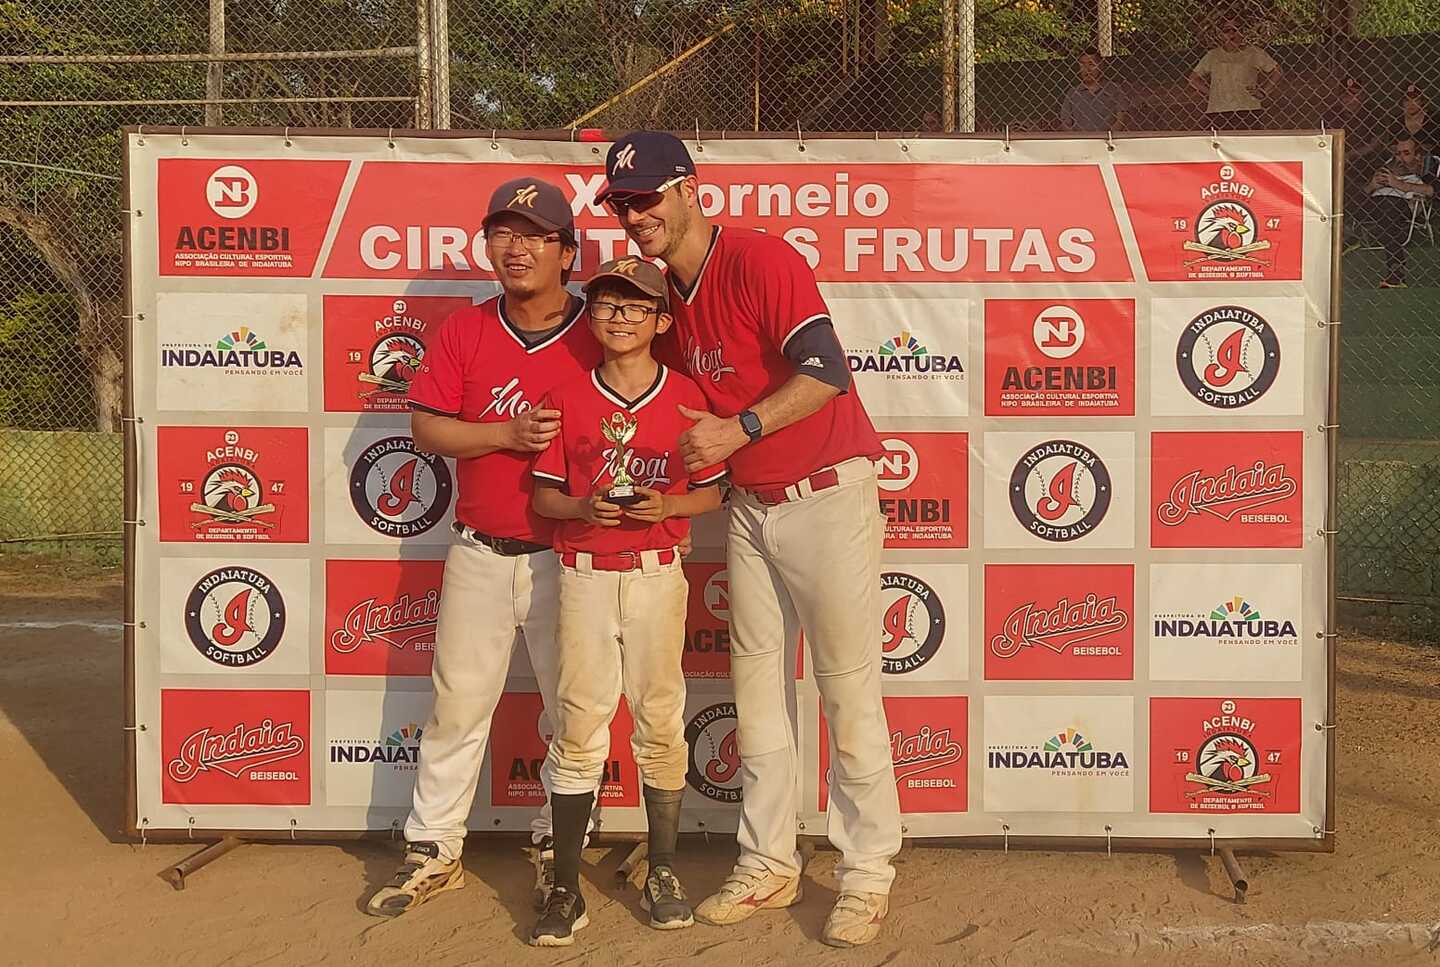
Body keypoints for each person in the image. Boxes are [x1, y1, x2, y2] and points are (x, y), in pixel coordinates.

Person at [597, 131, 902, 949]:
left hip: (826, 492)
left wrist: (741, 428)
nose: (634, 214)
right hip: (750, 505)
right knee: (759, 691)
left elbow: (827, 369)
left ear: (690, 188)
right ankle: (769, 859)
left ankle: (867, 869)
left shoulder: (761, 260)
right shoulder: (668, 291)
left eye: (647, 196)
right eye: (621, 203)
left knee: (845, 688)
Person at [365, 178, 601, 917]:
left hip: (572, 552)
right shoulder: (467, 329)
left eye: (535, 233)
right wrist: (505, 434)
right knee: (456, 705)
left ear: (569, 251)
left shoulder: (609, 326)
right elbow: (428, 429)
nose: (516, 246)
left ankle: (559, 851)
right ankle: (434, 847)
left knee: (575, 709)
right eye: (503, 231)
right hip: (479, 547)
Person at [528, 257, 727, 946]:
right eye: (608, 303)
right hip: (583, 571)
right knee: (581, 725)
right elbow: (545, 497)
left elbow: (715, 490)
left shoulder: (686, 394)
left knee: (661, 718)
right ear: (593, 314)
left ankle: (664, 868)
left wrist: (668, 502)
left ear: (661, 321)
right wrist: (584, 503)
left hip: (654, 570)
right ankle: (563, 885)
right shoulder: (566, 392)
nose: (619, 316)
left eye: (636, 306)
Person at [1350, 135, 1437, 289]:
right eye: (1397, 154)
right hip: (1375, 207)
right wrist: (1371, 186)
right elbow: (1359, 198)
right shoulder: (1385, 173)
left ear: (1417, 156)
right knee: (1351, 193)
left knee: (1389, 206)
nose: (1400, 158)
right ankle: (1347, 235)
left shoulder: (1423, 176)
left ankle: (1396, 272)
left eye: (1406, 153)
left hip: (1400, 208)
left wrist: (1399, 184)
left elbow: (1431, 191)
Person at [1188, 18, 1280, 129]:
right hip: (1218, 110)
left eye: (1236, 29)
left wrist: (1264, 92)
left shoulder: (1253, 52)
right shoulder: (1213, 55)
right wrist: (1210, 92)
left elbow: (1277, 71)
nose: (1231, 34)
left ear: (1242, 33)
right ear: (1221, 35)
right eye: (1227, 30)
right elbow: (1193, 78)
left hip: (1247, 109)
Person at [1060, 47, 1130, 131]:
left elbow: (1121, 120)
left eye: (1091, 64)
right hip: (1080, 140)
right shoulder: (1073, 93)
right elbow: (1065, 123)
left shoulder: (1114, 89)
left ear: (1100, 66)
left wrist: (1107, 139)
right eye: (1082, 65)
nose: (1087, 69)